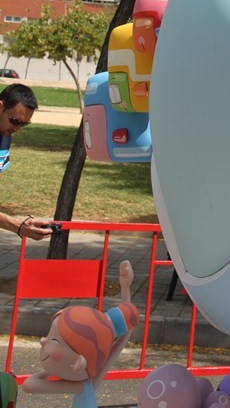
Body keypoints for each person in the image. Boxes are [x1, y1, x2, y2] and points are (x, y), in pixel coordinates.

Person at [22, 260, 139, 407]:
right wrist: (125, 287)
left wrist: (48, 372)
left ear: (78, 363)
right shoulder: (88, 383)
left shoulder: (80, 386)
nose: (43, 340)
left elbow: (29, 385)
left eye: (54, 340)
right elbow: (126, 332)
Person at [0, 83, 53, 240]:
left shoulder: (5, 138)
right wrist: (16, 225)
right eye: (15, 121)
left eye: (24, 124)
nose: (17, 129)